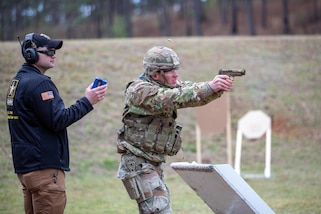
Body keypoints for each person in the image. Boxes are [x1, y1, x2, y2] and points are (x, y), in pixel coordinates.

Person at [116, 46, 234, 213]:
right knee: (160, 210)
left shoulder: (165, 84)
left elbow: (189, 90)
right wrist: (209, 87)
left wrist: (215, 86)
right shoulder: (138, 90)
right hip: (138, 163)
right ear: (155, 73)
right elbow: (174, 98)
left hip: (152, 162)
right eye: (170, 70)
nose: (176, 74)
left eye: (176, 69)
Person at [6, 33, 108, 214]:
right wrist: (88, 101)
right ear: (30, 53)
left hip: (26, 169)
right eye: (49, 51)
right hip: (44, 170)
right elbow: (58, 120)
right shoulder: (40, 84)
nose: (54, 54)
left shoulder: (17, 82)